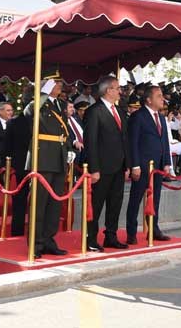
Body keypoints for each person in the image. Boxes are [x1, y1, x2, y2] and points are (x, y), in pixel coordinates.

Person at [26, 75, 74, 256]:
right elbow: (28, 112)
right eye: (55, 83)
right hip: (44, 156)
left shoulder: (61, 104)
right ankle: (36, 243)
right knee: (40, 202)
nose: (59, 85)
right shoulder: (37, 102)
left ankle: (48, 240)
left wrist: (69, 148)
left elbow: (65, 129)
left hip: (59, 156)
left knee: (54, 203)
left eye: (60, 82)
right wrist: (43, 93)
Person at [84, 75, 131, 251]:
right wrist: (94, 168)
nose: (120, 91)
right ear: (108, 90)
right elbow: (91, 142)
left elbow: (124, 139)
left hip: (118, 166)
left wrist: (127, 164)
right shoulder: (94, 111)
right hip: (102, 168)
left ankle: (111, 236)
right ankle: (90, 238)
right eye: (117, 88)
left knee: (115, 203)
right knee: (96, 204)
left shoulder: (119, 111)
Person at [126, 85, 172, 244]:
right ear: (149, 99)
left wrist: (167, 162)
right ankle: (131, 232)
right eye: (159, 96)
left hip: (158, 167)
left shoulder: (161, 117)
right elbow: (132, 143)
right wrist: (135, 165)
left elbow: (164, 141)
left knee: (155, 199)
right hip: (143, 166)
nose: (162, 99)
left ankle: (153, 228)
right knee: (135, 200)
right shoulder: (138, 116)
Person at [3, 89, 32, 237]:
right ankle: (25, 233)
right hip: (28, 168)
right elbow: (7, 147)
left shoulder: (14, 122)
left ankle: (18, 233)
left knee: (19, 205)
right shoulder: (15, 122)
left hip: (23, 167)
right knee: (22, 204)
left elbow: (6, 148)